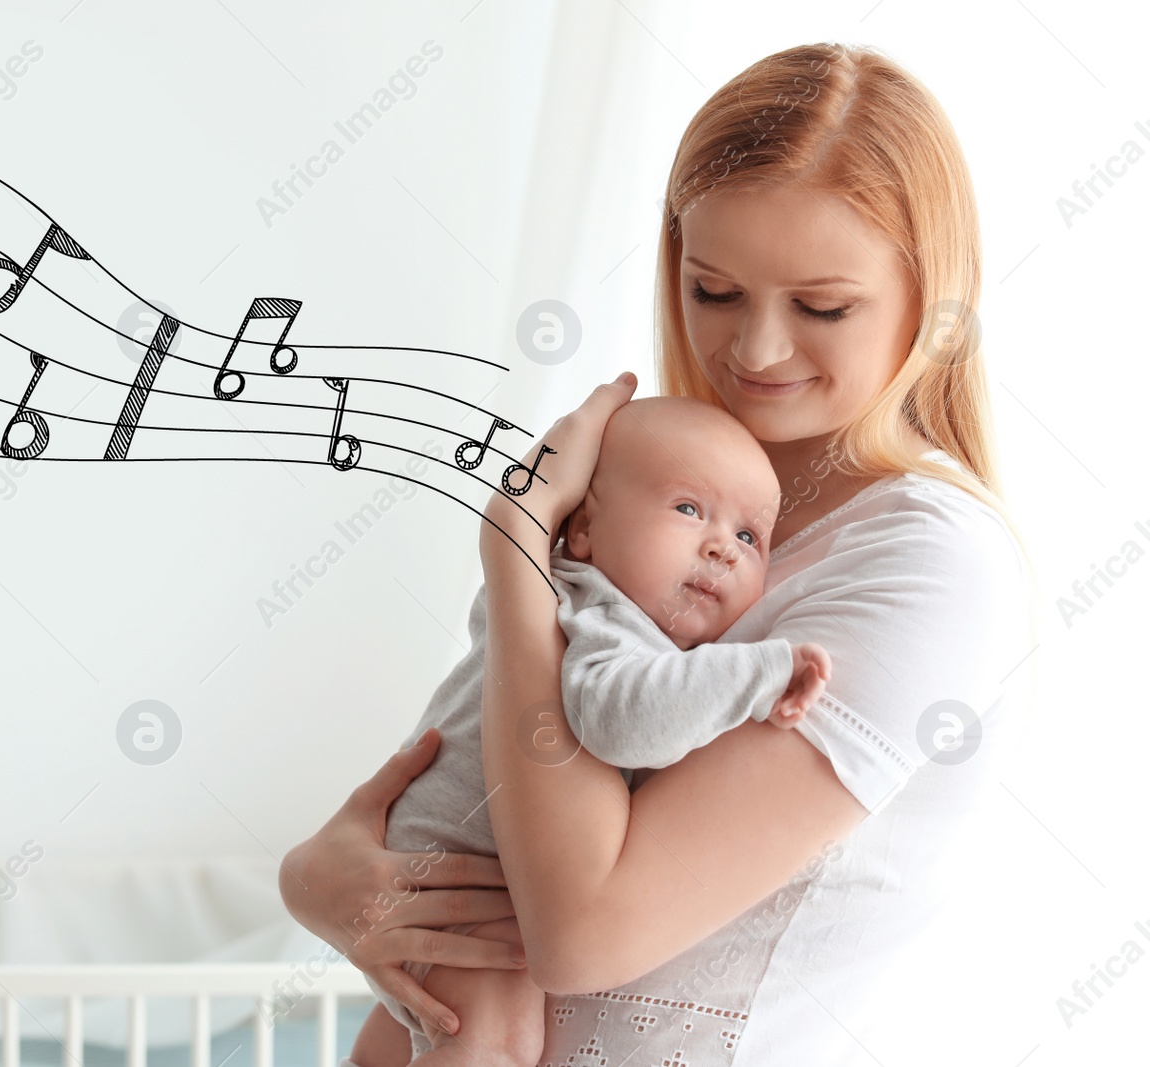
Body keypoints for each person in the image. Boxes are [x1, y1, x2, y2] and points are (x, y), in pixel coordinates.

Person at [280, 41, 1035, 1066]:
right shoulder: (664, 493)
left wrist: (514, 563)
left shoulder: (930, 563)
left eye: (821, 306)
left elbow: (583, 933)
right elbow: (480, 779)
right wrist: (323, 876)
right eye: (713, 289)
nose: (756, 350)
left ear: (930, 301)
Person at [356, 397, 833, 1067]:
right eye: (689, 509)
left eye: (750, 537)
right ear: (583, 529)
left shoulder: (564, 600)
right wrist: (756, 674)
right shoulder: (602, 613)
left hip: (438, 861)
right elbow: (620, 722)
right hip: (457, 870)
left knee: (413, 1035)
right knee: (493, 1045)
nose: (722, 545)